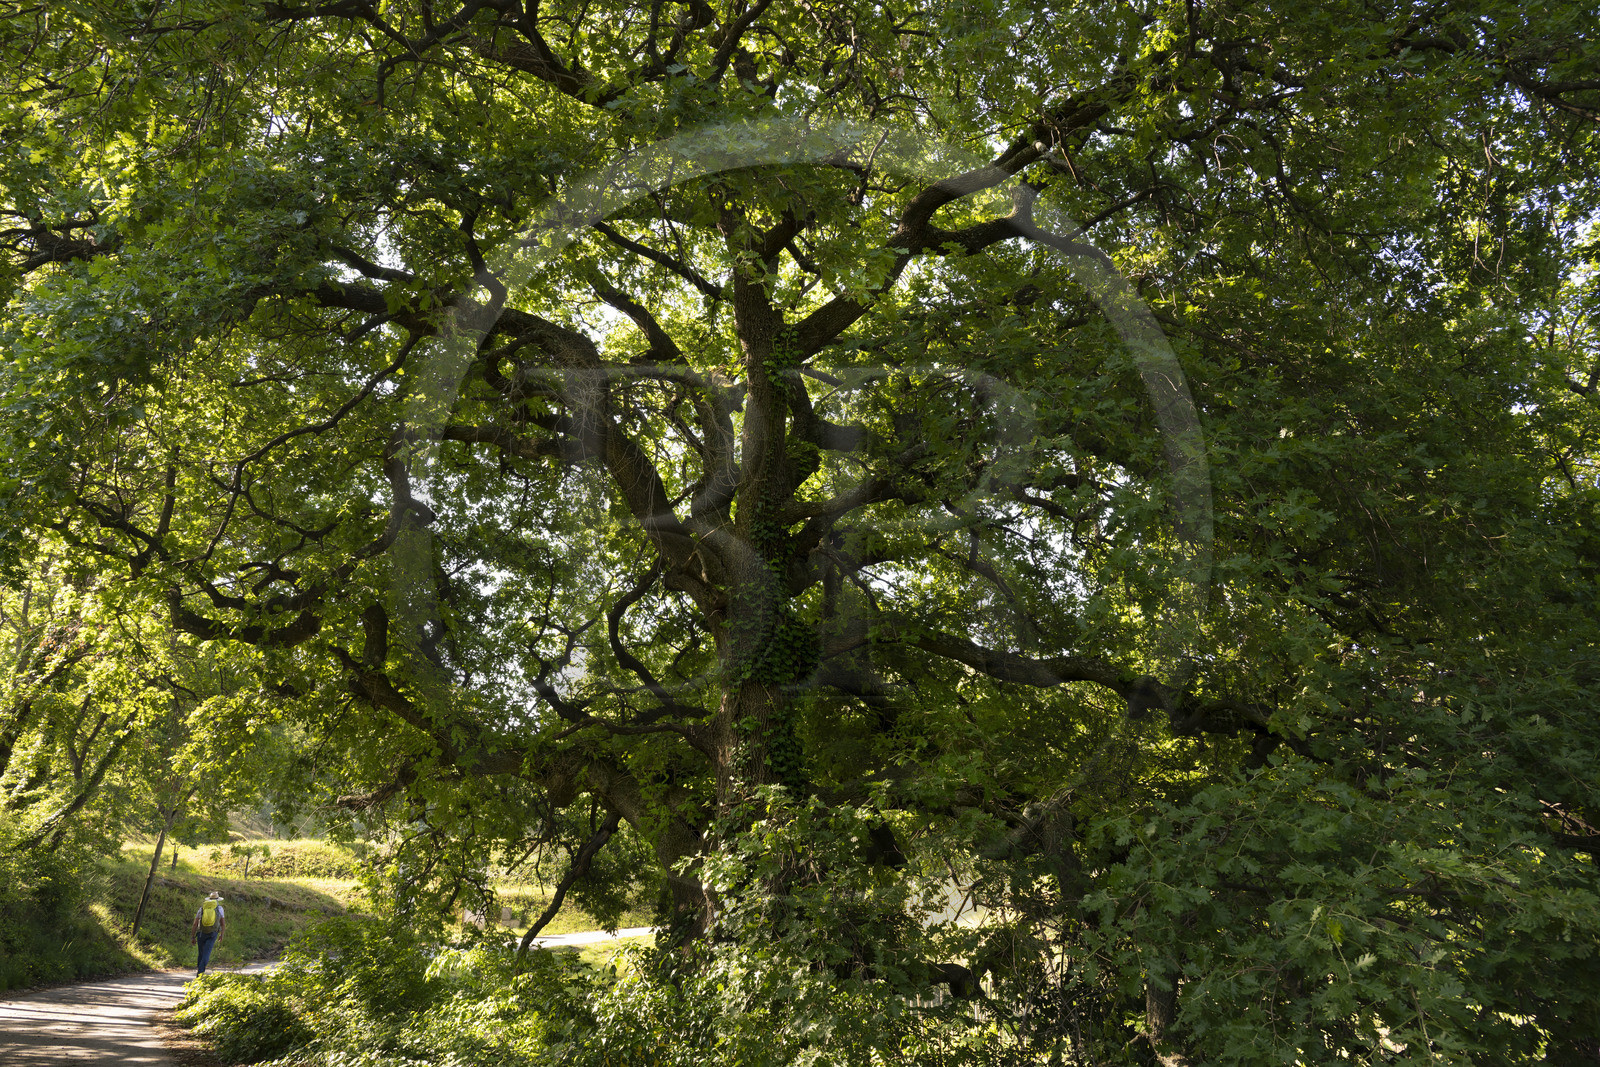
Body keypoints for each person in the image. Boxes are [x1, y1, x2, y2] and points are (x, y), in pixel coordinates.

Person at [190, 891, 226, 975]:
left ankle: (199, 973)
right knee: (206, 953)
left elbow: (195, 924)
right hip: (213, 933)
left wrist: (192, 936)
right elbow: (222, 924)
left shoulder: (202, 908)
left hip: (201, 933)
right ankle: (200, 973)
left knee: (201, 953)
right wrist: (221, 935)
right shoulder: (220, 909)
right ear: (218, 900)